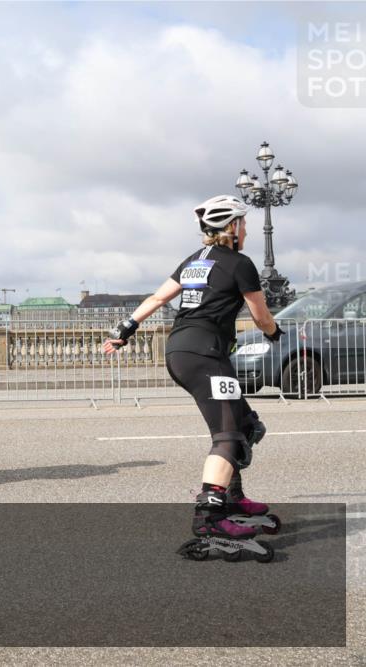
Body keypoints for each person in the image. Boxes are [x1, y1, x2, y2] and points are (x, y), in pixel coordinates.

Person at [103, 195, 283, 540]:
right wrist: (275, 333)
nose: (246, 230)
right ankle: (209, 518)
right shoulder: (240, 263)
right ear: (232, 227)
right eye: (244, 223)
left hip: (181, 351)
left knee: (246, 425)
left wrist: (124, 329)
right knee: (229, 436)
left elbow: (158, 298)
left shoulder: (192, 261)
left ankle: (233, 497)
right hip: (205, 354)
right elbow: (261, 316)